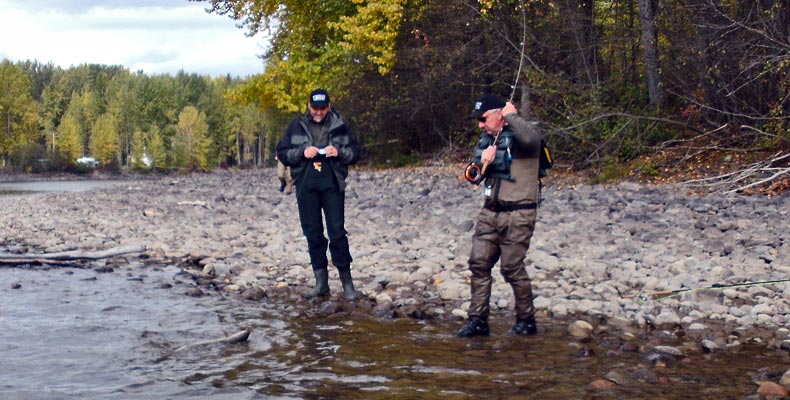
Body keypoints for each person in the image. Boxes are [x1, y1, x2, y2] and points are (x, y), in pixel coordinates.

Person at [455, 94, 544, 337]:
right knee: (479, 264)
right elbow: (472, 177)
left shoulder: (524, 133)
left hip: (519, 214)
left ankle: (526, 321)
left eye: (483, 119)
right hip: (489, 212)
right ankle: (478, 321)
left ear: (498, 115)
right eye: (478, 120)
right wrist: (482, 162)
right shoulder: (486, 140)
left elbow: (531, 139)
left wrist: (511, 115)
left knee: (512, 268)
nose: (480, 125)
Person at [276, 89, 363, 300]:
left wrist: (339, 152)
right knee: (313, 234)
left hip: (332, 183)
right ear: (308, 106)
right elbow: (283, 153)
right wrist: (302, 153)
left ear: (329, 106)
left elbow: (356, 153)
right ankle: (321, 284)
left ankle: (347, 285)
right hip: (306, 185)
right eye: (315, 108)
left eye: (322, 108)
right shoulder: (296, 126)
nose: (318, 112)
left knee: (337, 233)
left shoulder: (340, 125)